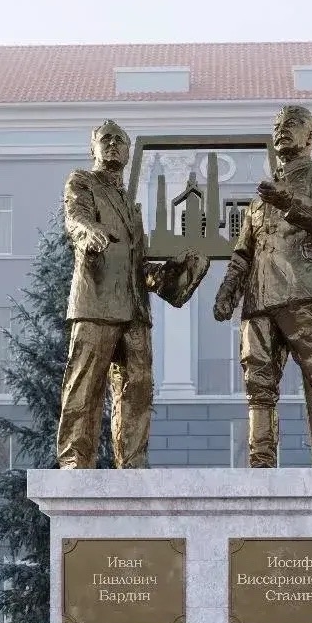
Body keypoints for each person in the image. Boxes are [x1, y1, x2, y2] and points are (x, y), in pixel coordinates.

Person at [56, 120, 207, 469]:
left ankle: (133, 462)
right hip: (96, 301)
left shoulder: (129, 204)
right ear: (93, 148)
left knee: (138, 387)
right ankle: (75, 460)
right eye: (106, 139)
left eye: (119, 141)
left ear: (128, 152)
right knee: (85, 383)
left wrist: (176, 271)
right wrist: (89, 232)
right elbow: (75, 217)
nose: (112, 145)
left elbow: (138, 266)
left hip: (135, 308)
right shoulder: (82, 181)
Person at [212, 104, 312, 467]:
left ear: (310, 136)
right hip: (259, 301)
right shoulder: (259, 199)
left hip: (304, 294)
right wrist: (228, 290)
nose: (281, 129)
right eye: (277, 125)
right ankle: (261, 463)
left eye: (292, 123)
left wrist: (287, 200)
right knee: (258, 387)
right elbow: (243, 252)